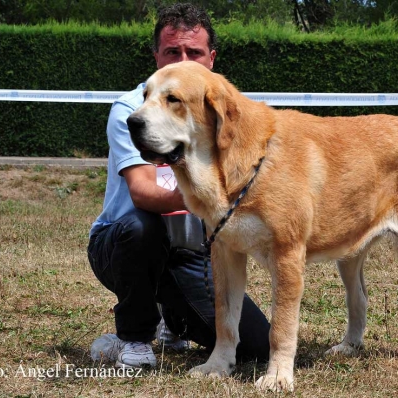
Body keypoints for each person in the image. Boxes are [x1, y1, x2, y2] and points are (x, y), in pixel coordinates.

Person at [87, 3, 270, 369]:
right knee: (141, 227)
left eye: (194, 52)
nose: (184, 59)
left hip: (193, 253)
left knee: (256, 348)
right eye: (173, 51)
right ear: (157, 56)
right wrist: (210, 197)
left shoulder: (227, 112)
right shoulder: (131, 111)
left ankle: (173, 317)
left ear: (212, 58)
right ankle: (130, 339)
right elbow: (142, 192)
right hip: (124, 245)